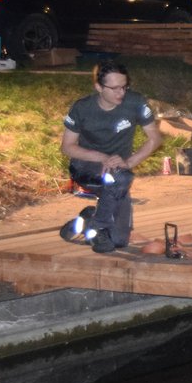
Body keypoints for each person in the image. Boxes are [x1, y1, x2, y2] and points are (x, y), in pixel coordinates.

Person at [59, 60, 162, 253]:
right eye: (114, 88)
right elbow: (67, 147)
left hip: (119, 172)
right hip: (86, 166)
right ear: (99, 87)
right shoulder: (82, 108)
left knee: (119, 241)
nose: (120, 93)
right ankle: (99, 227)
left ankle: (90, 219)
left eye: (124, 87)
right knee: (120, 178)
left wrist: (128, 162)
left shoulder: (135, 102)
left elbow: (155, 138)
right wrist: (102, 157)